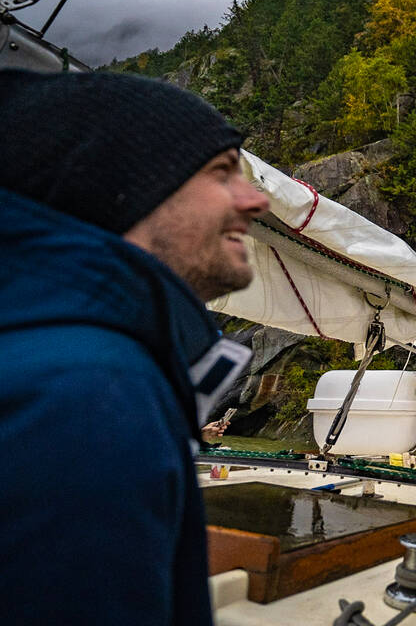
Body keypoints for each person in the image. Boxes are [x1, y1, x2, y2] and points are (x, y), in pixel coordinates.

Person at [0, 69, 270, 625]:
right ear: (120, 185)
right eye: (222, 172)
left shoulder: (45, 355)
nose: (256, 201)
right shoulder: (88, 396)